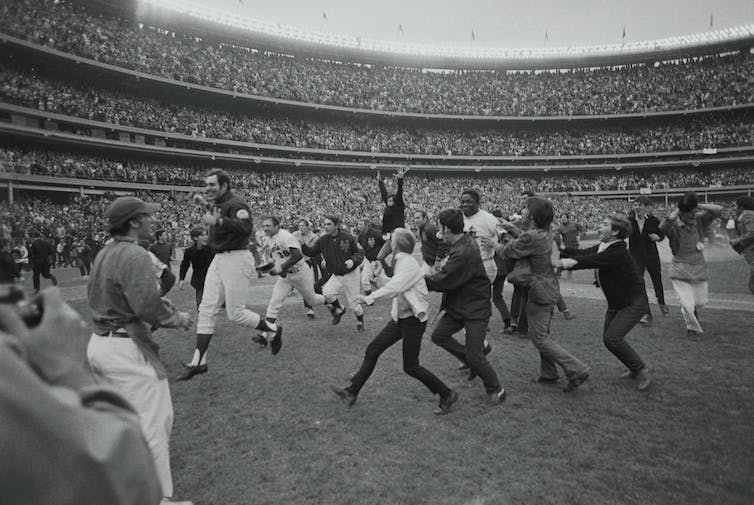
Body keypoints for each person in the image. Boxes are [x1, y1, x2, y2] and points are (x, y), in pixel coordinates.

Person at [0, 288, 163, 505]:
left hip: (104, 341)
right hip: (121, 345)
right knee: (155, 416)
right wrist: (63, 367)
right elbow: (125, 479)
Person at [85, 196, 194, 505]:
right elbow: (147, 304)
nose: (152, 221)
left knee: (122, 425)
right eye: (147, 217)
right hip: (125, 349)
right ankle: (157, 499)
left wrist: (157, 306)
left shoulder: (106, 252)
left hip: (101, 344)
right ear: (133, 222)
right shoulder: (135, 253)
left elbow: (123, 298)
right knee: (155, 422)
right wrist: (176, 318)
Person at [331, 228, 459, 415]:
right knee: (373, 349)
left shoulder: (407, 262)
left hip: (413, 321)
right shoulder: (402, 261)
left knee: (411, 366)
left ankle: (447, 394)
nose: (389, 242)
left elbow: (396, 287)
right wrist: (381, 275)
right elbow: (397, 284)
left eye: (391, 240)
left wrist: (369, 298)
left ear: (395, 245)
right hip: (401, 318)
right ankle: (352, 392)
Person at [180, 169, 281, 380]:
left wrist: (217, 222)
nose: (207, 188)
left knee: (235, 314)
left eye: (212, 184)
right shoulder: (222, 203)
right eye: (206, 184)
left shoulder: (238, 203)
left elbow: (245, 227)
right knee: (206, 309)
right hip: (219, 257)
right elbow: (220, 210)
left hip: (236, 257)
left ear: (224, 185)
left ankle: (273, 329)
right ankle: (199, 361)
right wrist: (204, 205)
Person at [485, 197, 590, 392]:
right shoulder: (544, 233)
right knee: (543, 334)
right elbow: (528, 237)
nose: (522, 212)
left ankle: (578, 369)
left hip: (539, 291)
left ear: (532, 215)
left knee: (539, 337)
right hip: (548, 288)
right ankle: (549, 373)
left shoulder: (532, 237)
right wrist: (511, 227)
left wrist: (492, 241)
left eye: (525, 209)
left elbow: (507, 252)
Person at [558, 216, 652, 391]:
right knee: (609, 340)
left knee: (613, 338)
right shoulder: (605, 246)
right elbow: (585, 254)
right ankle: (634, 368)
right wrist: (562, 248)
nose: (599, 227)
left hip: (634, 302)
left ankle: (642, 369)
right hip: (618, 303)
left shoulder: (617, 251)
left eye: (603, 224)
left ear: (615, 232)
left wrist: (563, 264)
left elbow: (590, 261)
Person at [426, 209, 506, 406]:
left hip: (474, 307)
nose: (439, 232)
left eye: (440, 227)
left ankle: (497, 389)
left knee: (474, 355)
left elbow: (443, 280)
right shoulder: (462, 242)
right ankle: (473, 360)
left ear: (446, 228)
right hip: (460, 305)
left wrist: (417, 280)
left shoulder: (463, 250)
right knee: (439, 336)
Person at [259, 216, 330, 353]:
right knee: (274, 303)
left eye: (268, 226)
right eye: (264, 226)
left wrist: (281, 268)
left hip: (300, 273)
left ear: (277, 226)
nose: (266, 228)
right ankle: (265, 335)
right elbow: (273, 260)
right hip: (286, 276)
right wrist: (269, 268)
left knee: (313, 300)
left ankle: (331, 299)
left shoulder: (286, 236)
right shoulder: (268, 240)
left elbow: (297, 255)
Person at [659, 192, 722, 337]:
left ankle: (689, 311)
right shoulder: (673, 225)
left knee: (700, 302)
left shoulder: (699, 220)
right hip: (679, 268)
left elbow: (718, 210)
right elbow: (662, 227)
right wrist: (679, 209)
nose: (694, 215)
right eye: (691, 213)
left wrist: (696, 205)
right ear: (682, 212)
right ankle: (692, 328)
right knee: (687, 304)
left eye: (695, 212)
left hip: (698, 266)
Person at [301, 215, 366, 331]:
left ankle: (360, 320)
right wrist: (301, 245)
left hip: (351, 275)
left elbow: (360, 253)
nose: (326, 227)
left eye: (329, 224)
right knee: (327, 293)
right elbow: (312, 252)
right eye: (325, 224)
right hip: (336, 275)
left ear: (336, 225)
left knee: (354, 305)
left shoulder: (348, 237)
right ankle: (339, 308)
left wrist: (353, 260)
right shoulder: (322, 240)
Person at [628, 196, 669, 322]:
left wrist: (658, 237)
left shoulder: (653, 220)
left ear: (646, 207)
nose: (637, 207)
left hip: (651, 255)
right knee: (639, 283)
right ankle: (646, 313)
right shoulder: (629, 221)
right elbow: (621, 232)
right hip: (636, 256)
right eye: (635, 205)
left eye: (640, 205)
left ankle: (661, 303)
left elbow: (662, 233)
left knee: (657, 280)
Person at [375, 167, 407, 265]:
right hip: (390, 238)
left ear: (395, 201)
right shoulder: (388, 207)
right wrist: (380, 182)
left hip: (398, 237)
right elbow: (384, 194)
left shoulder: (399, 207)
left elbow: (399, 193)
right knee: (380, 257)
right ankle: (389, 272)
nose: (388, 202)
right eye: (388, 201)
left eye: (391, 201)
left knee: (396, 261)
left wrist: (400, 180)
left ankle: (399, 276)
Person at [179, 225, 215, 310]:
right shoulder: (189, 251)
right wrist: (181, 279)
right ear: (195, 238)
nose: (206, 237)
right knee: (201, 308)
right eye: (202, 235)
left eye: (206, 234)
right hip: (199, 282)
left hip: (213, 281)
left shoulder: (212, 249)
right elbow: (184, 265)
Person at [293, 218, 324, 318]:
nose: (300, 228)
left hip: (314, 258)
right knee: (305, 283)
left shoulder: (314, 237)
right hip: (302, 261)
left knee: (321, 279)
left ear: (307, 227)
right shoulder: (295, 235)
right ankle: (309, 308)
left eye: (302, 226)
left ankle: (320, 292)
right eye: (299, 226)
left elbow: (315, 250)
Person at [730, 196, 754, 296]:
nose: (734, 208)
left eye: (736, 205)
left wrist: (737, 241)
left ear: (741, 207)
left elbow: (752, 232)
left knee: (752, 284)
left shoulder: (747, 216)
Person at [413, 209, 447, 276]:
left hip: (437, 262)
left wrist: (438, 259)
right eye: (414, 218)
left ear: (425, 218)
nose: (415, 220)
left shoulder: (431, 228)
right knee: (422, 280)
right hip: (429, 262)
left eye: (418, 218)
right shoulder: (422, 228)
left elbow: (443, 243)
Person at [357, 218, 385, 295]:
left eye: (361, 224)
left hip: (377, 260)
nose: (359, 226)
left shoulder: (376, 233)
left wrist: (381, 255)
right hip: (368, 260)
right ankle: (369, 298)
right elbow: (361, 249)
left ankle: (393, 289)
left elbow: (385, 243)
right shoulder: (360, 236)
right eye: (358, 224)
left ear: (366, 225)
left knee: (382, 279)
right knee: (364, 279)